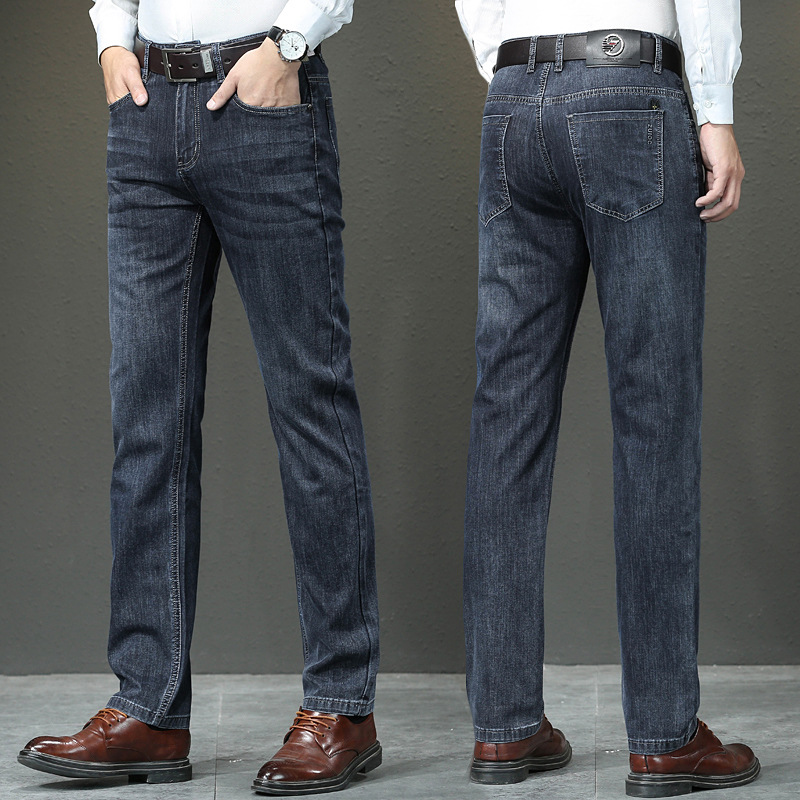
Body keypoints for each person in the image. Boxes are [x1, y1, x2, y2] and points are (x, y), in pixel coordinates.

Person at [17, 1, 381, 795]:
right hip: (146, 107)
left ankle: (341, 705)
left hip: (264, 98)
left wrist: (288, 47)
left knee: (310, 410)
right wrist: (112, 43)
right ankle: (147, 709)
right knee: (146, 421)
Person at [455, 1, 757, 796]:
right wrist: (715, 111)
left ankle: (503, 728)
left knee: (506, 420)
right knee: (654, 418)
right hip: (629, 90)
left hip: (514, 100)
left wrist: (512, 66)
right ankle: (663, 736)